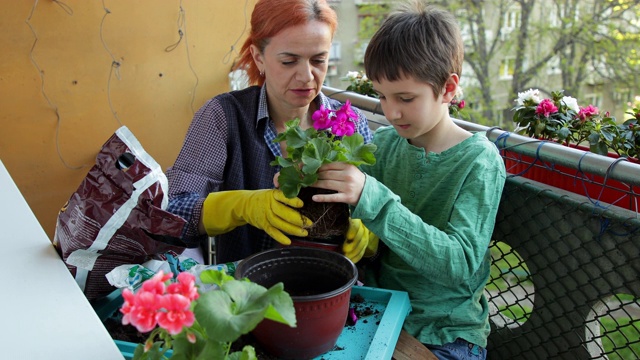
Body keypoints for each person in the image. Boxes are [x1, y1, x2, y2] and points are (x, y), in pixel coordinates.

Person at [311, 1, 506, 358]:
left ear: (448, 89)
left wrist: (372, 200)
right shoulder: (384, 144)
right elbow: (352, 219)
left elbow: (460, 265)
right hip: (377, 311)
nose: (391, 111)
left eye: (405, 98)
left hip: (445, 333)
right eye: (382, 96)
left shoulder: (479, 160)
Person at [165, 0, 373, 264]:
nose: (307, 76)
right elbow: (171, 214)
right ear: (258, 57)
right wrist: (241, 206)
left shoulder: (349, 123)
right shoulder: (223, 116)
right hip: (245, 289)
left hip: (330, 283)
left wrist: (368, 229)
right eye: (289, 61)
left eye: (319, 60)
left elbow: (375, 203)